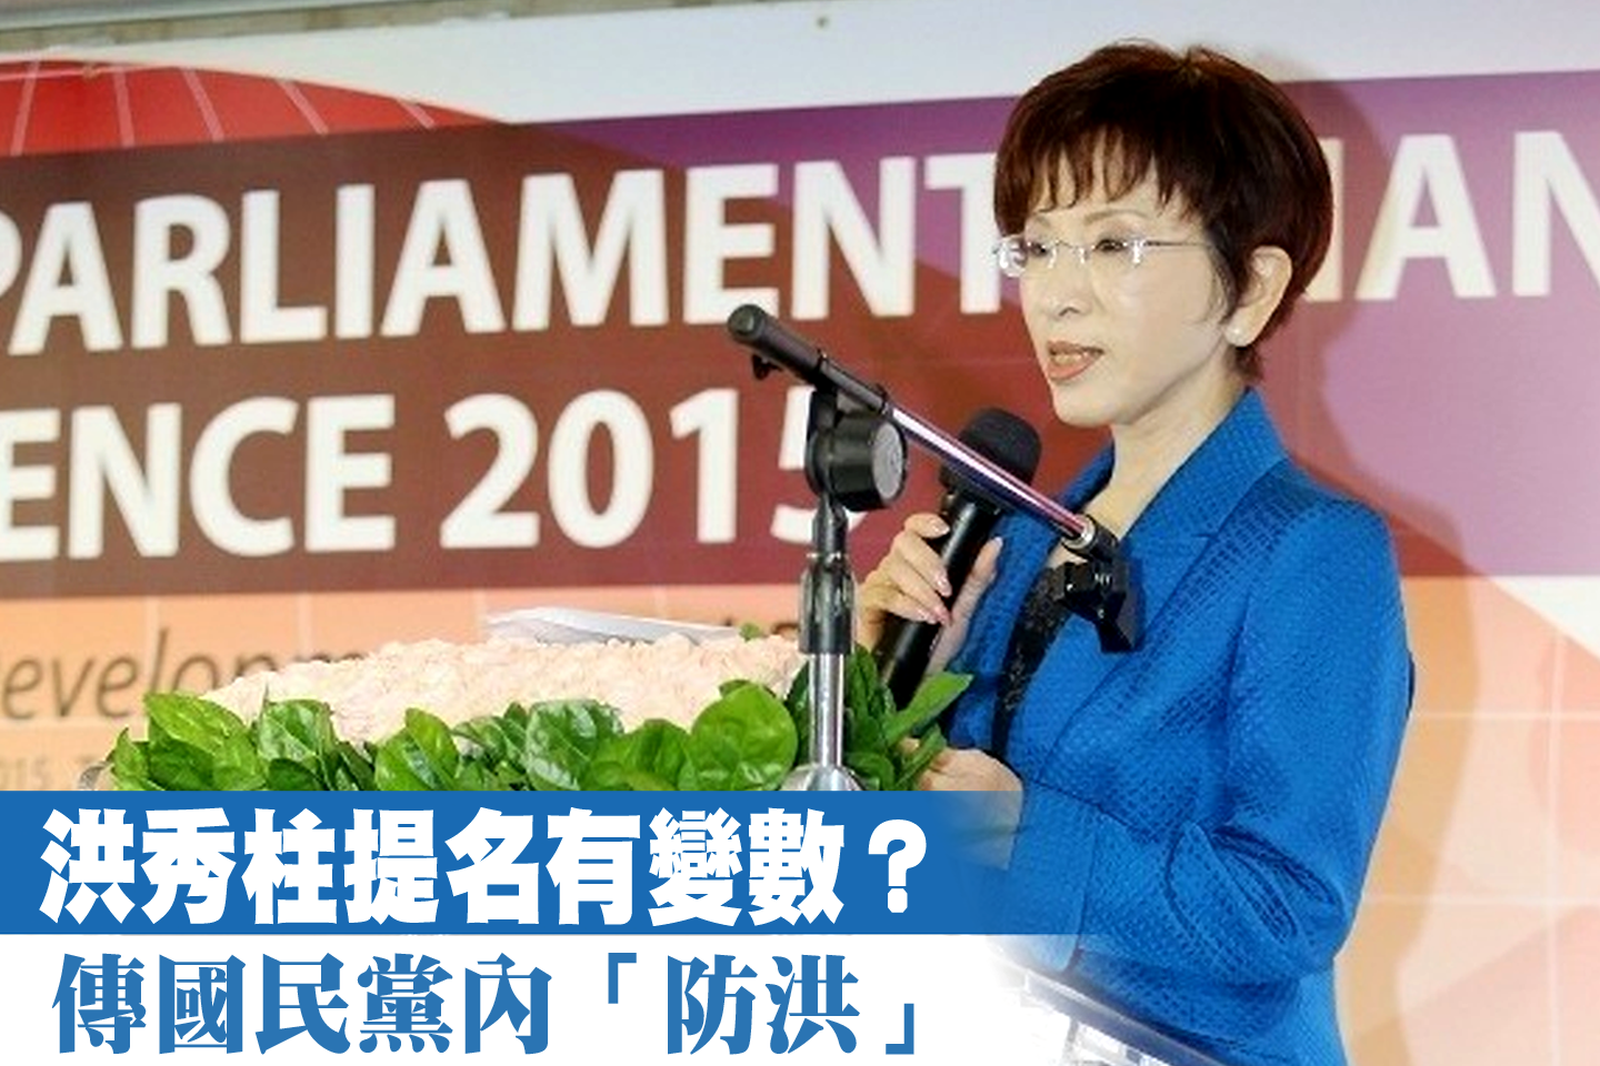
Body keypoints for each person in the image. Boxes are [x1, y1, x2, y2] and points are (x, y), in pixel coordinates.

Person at [857, 41, 1413, 1066]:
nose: (1055, 297)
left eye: (1113, 245)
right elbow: (909, 860)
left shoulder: (1314, 553)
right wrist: (883, 688)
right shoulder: (1013, 538)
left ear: (1249, 288)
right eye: (1037, 248)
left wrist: (1023, 837)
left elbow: (1286, 905)